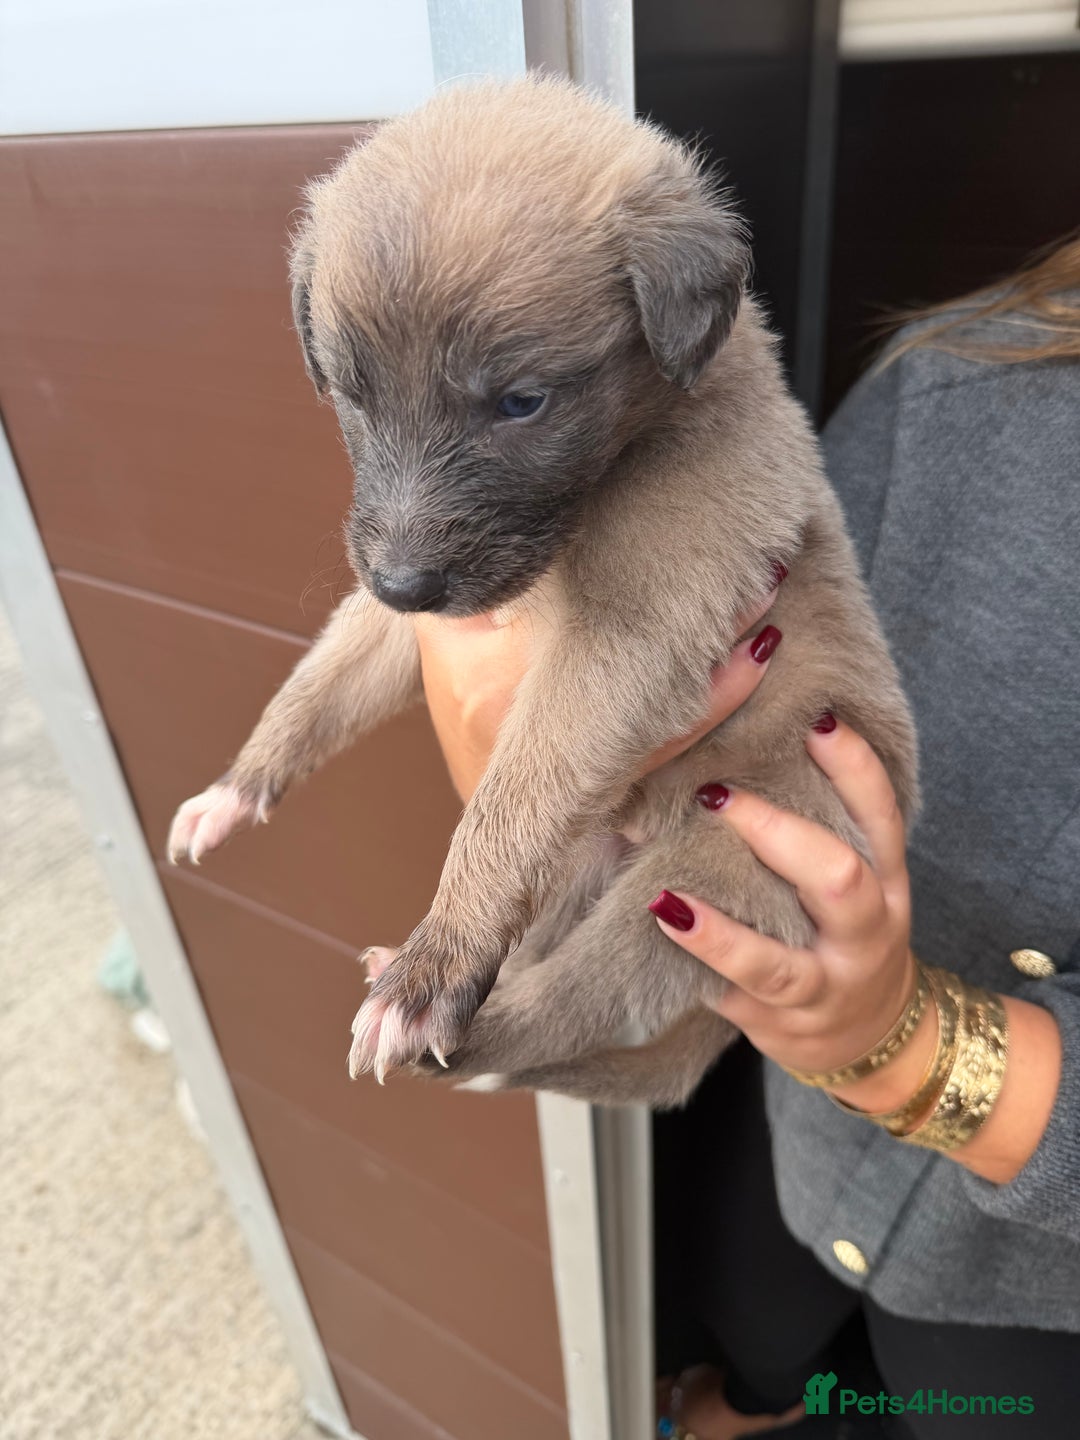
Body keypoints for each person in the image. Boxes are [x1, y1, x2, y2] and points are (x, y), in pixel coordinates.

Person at [414, 238, 1080, 1438]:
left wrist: (912, 1045)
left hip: (1032, 1291)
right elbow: (704, 634)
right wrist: (524, 756)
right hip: (793, 1123)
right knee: (763, 1341)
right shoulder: (957, 374)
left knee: (956, 1404)